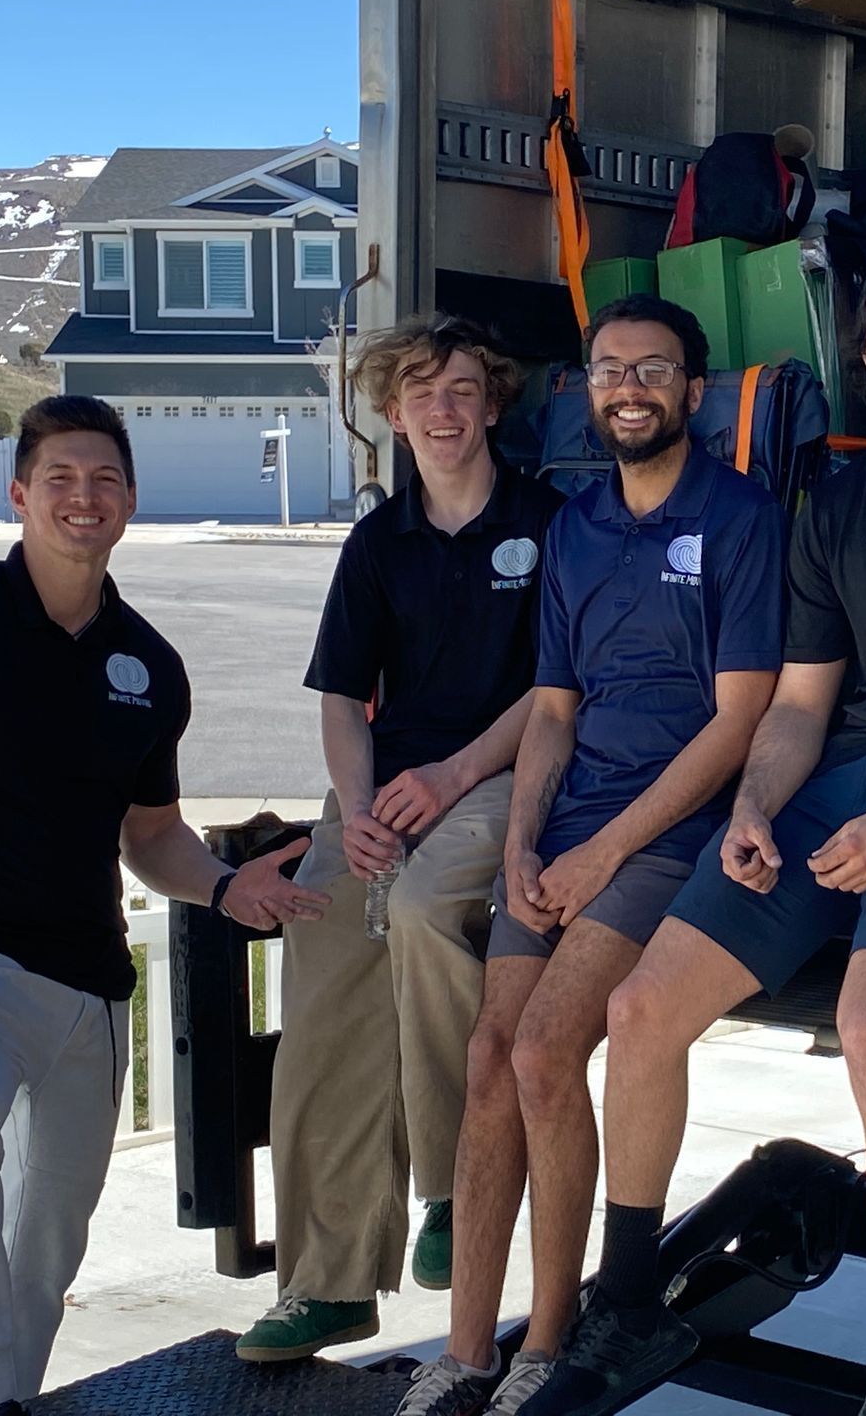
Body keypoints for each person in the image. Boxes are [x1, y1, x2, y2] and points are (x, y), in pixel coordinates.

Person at [528, 238, 866, 1416]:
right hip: (833, 793)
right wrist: (758, 806)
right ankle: (625, 1306)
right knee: (639, 1012)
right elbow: (802, 703)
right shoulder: (837, 498)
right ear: (864, 356)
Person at [0, 395, 326, 1416]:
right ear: (19, 495)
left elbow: (150, 835)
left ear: (129, 500)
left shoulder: (148, 667)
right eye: (61, 479)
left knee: (45, 1248)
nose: (84, 499)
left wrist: (224, 887)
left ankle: (2, 1398)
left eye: (105, 480)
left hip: (89, 985)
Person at [393, 294, 785, 1416]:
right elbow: (554, 709)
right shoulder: (575, 527)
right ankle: (465, 1352)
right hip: (565, 828)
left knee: (549, 1050)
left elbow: (738, 721)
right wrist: (524, 840)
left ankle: (550, 1345)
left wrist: (602, 853)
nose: (629, 388)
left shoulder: (741, 519)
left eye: (653, 370)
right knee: (490, 1055)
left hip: (670, 831)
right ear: (589, 390)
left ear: (693, 393)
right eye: (610, 369)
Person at [235, 315, 566, 1363]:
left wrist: (456, 772)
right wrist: (361, 805)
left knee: (425, 911)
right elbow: (341, 696)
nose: (443, 407)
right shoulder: (379, 540)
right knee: (326, 950)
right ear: (393, 414)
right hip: (386, 786)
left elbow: (562, 688)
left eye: (464, 387)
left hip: (501, 770)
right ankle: (327, 1280)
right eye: (422, 391)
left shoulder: (554, 522)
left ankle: (447, 1181)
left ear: (495, 401)